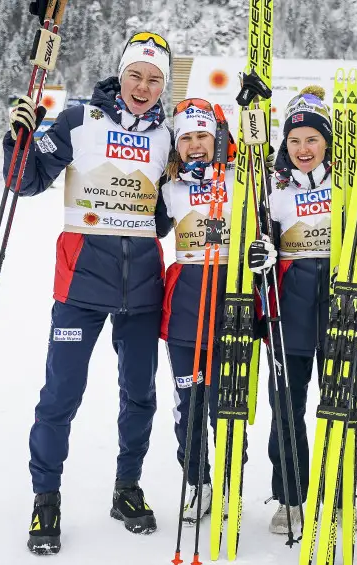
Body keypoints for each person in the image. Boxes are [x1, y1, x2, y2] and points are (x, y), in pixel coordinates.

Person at [2, 31, 174, 554]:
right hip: (80, 285)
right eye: (135, 75)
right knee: (61, 395)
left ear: (163, 85)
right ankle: (46, 497)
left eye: (154, 78)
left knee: (140, 394)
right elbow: (24, 182)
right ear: (120, 75)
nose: (143, 86)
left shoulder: (168, 136)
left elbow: (165, 219)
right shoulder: (80, 120)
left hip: (142, 287)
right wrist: (20, 139)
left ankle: (126, 487)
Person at [245, 86, 357, 535]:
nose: (302, 149)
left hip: (340, 313)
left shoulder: (349, 186)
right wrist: (262, 254)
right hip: (286, 318)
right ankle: (290, 497)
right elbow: (257, 243)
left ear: (327, 142)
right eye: (294, 141)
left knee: (342, 407)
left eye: (312, 139)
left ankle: (339, 496)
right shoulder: (274, 192)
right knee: (286, 410)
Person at [156, 98, 235, 526]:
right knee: (189, 405)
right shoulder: (169, 188)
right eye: (186, 137)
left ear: (217, 138)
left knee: (229, 403)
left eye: (202, 135)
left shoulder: (245, 181)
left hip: (233, 309)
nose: (195, 145)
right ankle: (197, 482)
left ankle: (227, 483)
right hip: (186, 311)